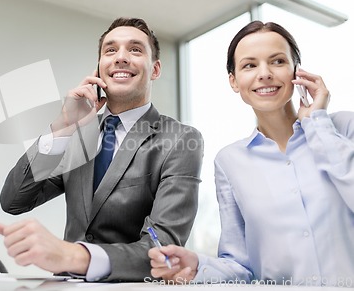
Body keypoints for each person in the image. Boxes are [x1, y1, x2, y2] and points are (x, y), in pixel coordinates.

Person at [0, 17, 204, 282]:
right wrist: (62, 127)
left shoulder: (181, 139)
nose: (121, 58)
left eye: (135, 49)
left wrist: (72, 255)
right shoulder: (76, 136)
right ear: (99, 68)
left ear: (155, 69)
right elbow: (14, 201)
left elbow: (161, 247)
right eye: (110, 50)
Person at [149, 21, 354, 287]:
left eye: (278, 61)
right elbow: (241, 266)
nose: (265, 73)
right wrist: (198, 266)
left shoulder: (343, 128)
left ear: (297, 71)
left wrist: (317, 123)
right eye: (249, 65)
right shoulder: (229, 161)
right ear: (234, 81)